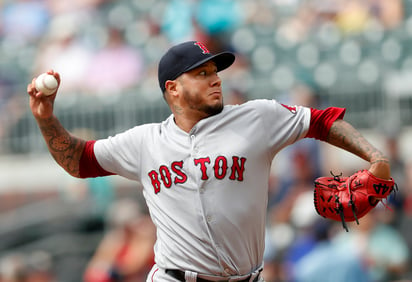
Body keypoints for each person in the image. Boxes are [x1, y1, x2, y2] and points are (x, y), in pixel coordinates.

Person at [27, 41, 392, 282]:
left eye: (215, 72)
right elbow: (78, 160)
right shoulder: (143, 142)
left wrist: (375, 157)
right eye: (201, 74)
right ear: (172, 88)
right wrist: (45, 119)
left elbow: (322, 120)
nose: (214, 80)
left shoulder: (257, 118)